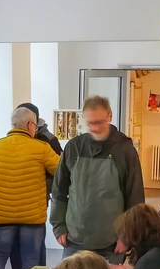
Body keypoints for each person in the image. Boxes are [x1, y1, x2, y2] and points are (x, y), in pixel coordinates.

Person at [51, 96, 145, 257]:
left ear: (110, 116)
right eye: (91, 123)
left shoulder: (125, 150)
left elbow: (135, 198)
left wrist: (126, 236)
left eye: (99, 122)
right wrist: (59, 227)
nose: (95, 128)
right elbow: (59, 191)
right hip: (75, 239)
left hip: (112, 242)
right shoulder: (74, 147)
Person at [0, 106, 61, 269]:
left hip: (2, 220)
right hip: (32, 220)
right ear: (31, 125)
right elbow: (62, 170)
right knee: (31, 264)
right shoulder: (41, 148)